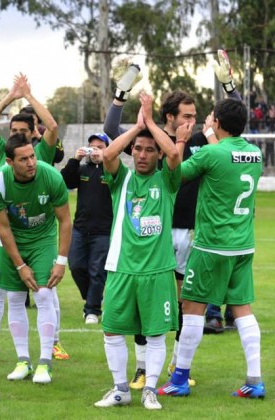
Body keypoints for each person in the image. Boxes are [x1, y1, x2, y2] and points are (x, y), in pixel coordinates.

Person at [103, 51, 240, 390]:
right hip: (155, 236)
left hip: (191, 232)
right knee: (141, 303)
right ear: (169, 117)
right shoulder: (147, 143)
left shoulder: (194, 140)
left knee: (182, 302)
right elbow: (108, 130)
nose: (193, 122)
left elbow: (236, 121)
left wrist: (229, 86)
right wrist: (122, 95)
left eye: (194, 116)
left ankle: (177, 364)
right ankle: (140, 367)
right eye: (187, 116)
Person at [158, 98, 264, 399]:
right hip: (243, 245)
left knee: (192, 307)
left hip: (211, 246)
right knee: (242, 309)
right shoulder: (254, 154)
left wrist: (180, 142)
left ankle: (179, 378)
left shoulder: (209, 153)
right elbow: (227, 156)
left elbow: (173, 176)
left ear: (216, 122)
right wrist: (213, 138)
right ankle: (255, 380)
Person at [94, 93, 184, 410]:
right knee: (111, 329)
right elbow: (107, 155)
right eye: (138, 149)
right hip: (121, 267)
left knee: (156, 334)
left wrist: (151, 124)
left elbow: (174, 152)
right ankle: (121, 389)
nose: (142, 154)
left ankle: (149, 389)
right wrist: (137, 127)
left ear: (157, 154)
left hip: (157, 270)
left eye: (149, 150)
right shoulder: (123, 179)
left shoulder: (168, 181)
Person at [0, 75, 69, 362]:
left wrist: (28, 96)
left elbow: (53, 126)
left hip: (40, 233)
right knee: (0, 290)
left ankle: (52, 343)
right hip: (13, 235)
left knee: (46, 291)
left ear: (33, 132)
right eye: (13, 129)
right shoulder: (6, 155)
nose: (17, 133)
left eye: (23, 129)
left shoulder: (40, 154)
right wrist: (9, 97)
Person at [0, 133, 72, 384]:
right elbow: (3, 228)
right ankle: (23, 361)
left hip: (42, 239)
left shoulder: (51, 177)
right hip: (12, 240)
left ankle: (45, 363)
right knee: (14, 297)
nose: (31, 162)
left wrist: (61, 260)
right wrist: (20, 265)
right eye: (23, 159)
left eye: (32, 156)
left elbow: (65, 220)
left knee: (43, 294)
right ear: (10, 163)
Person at [61, 133, 112, 325]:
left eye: (100, 146)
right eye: (92, 146)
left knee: (97, 271)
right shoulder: (82, 169)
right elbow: (65, 181)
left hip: (103, 231)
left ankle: (92, 310)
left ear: (108, 148)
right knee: (75, 266)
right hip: (80, 229)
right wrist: (75, 159)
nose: (95, 150)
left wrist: (106, 161)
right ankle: (93, 296)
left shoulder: (112, 170)